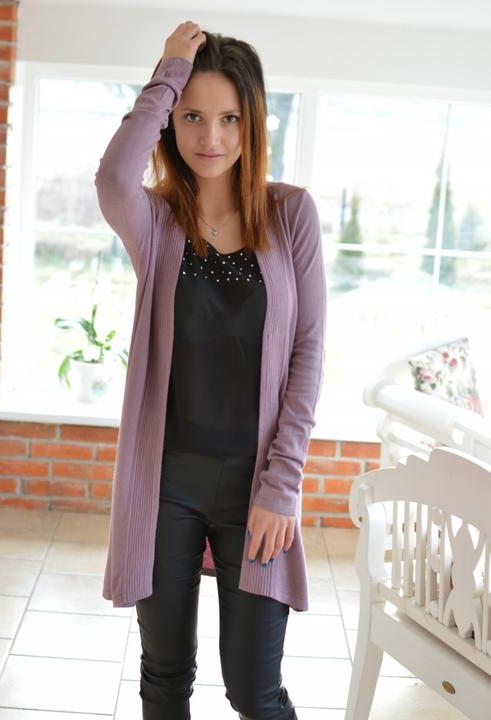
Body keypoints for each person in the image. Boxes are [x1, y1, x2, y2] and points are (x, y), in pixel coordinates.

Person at [95, 20, 327, 720]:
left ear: (253, 123)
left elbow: (308, 350)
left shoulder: (290, 214)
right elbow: (113, 175)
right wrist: (169, 70)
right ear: (171, 120)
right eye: (192, 116)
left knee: (254, 691)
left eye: (229, 118)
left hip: (256, 486)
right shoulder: (155, 221)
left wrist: (282, 486)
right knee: (164, 678)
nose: (211, 137)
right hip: (165, 483)